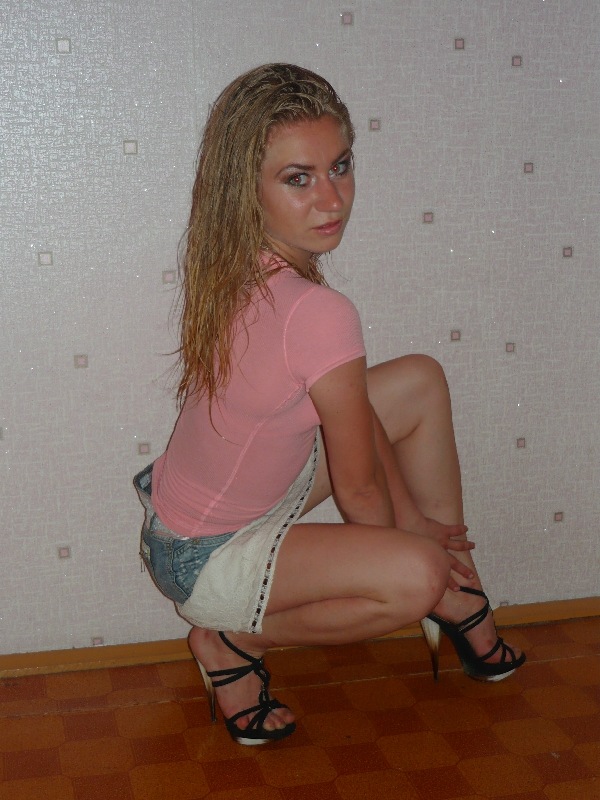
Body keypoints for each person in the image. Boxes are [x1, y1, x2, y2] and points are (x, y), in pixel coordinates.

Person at [135, 63, 525, 746]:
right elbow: (359, 487)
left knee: (417, 382)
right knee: (415, 577)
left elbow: (357, 416)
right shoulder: (318, 312)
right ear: (247, 188)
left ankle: (460, 592)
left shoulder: (237, 267)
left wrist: (416, 523)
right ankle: (233, 639)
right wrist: (411, 548)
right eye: (299, 178)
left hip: (197, 516)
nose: (331, 198)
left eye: (340, 166)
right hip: (209, 554)